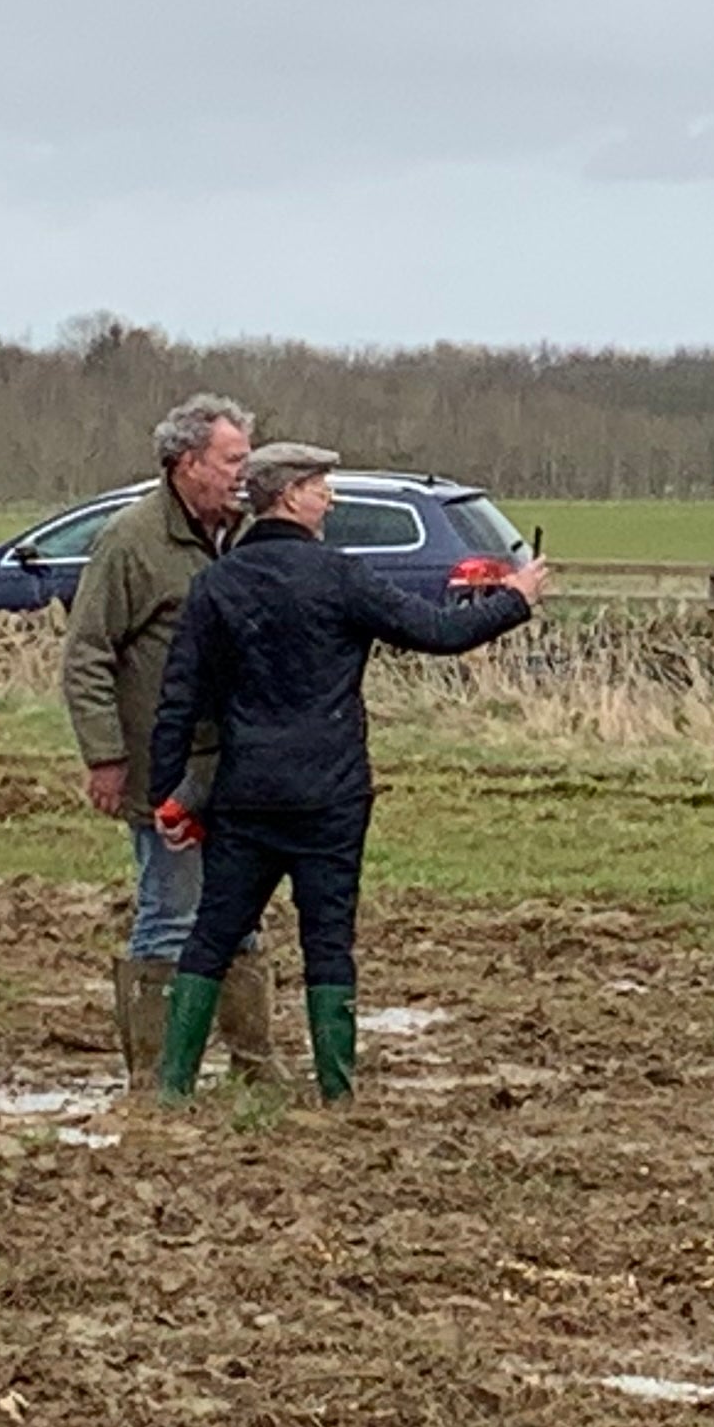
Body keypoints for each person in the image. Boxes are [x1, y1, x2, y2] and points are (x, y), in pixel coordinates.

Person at [146, 443, 545, 1103]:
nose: (330, 496)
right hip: (331, 794)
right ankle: (337, 1094)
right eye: (320, 484)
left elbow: (180, 699)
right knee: (328, 937)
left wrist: (169, 794)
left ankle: (173, 1090)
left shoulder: (218, 582)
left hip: (245, 792)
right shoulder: (339, 577)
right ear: (289, 496)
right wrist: (515, 600)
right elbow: (439, 633)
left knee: (213, 931)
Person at [57, 391, 294, 1096]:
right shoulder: (133, 542)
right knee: (169, 912)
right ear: (187, 464)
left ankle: (257, 1068)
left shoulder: (251, 534)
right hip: (167, 770)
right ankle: (157, 1080)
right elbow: (87, 655)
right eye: (231, 461)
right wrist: (105, 756)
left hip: (243, 765)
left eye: (247, 461)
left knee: (242, 908)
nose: (242, 476)